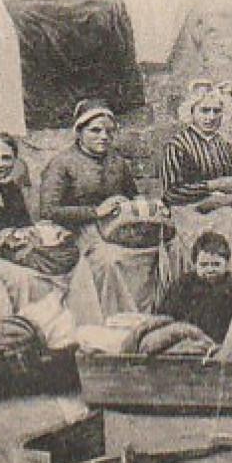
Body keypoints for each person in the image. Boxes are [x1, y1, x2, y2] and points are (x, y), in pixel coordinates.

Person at [40, 100, 167, 326]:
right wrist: (95, 212)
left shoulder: (117, 162)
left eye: (109, 131)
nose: (103, 137)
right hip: (79, 231)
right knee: (109, 260)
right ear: (79, 132)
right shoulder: (62, 163)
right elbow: (48, 210)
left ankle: (145, 317)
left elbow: (132, 194)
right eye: (95, 130)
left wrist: (148, 206)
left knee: (157, 251)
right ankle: (114, 320)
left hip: (118, 227)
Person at [160, 80, 232, 275]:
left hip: (224, 205)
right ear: (192, 112)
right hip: (190, 212)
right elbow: (171, 193)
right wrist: (212, 186)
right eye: (204, 111)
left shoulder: (224, 145)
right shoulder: (177, 146)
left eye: (216, 111)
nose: (211, 117)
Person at [156, 231, 232, 344]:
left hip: (222, 344)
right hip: (186, 343)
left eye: (216, 264)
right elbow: (166, 316)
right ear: (195, 264)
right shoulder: (182, 286)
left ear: (226, 264)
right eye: (204, 265)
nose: (210, 270)